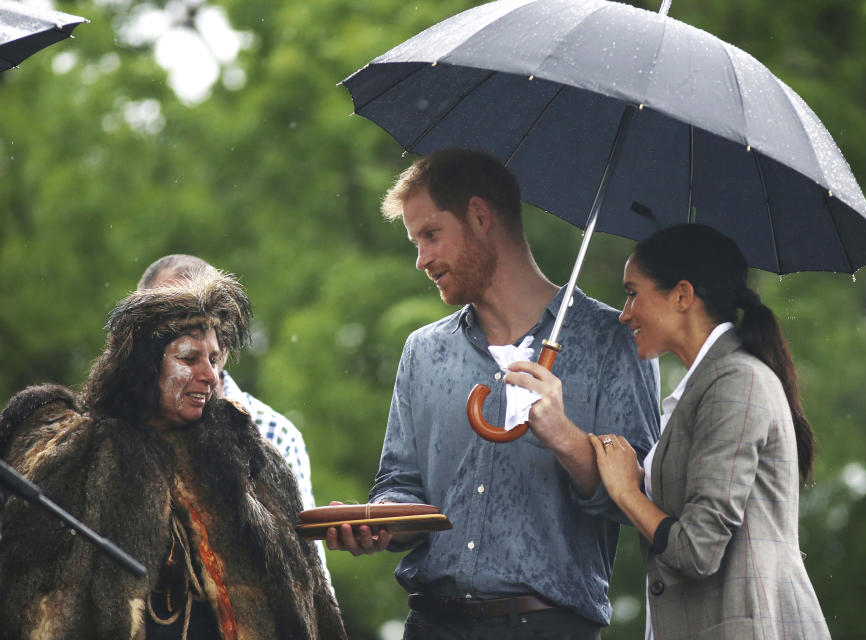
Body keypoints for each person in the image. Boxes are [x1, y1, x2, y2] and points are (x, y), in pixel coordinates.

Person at [326, 148, 661, 639]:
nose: (421, 260)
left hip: (550, 628)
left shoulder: (614, 341)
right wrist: (381, 522)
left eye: (431, 235)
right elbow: (402, 482)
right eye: (416, 241)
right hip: (430, 625)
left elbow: (642, 500)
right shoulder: (424, 352)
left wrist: (567, 439)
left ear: (480, 216)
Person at [0, 268, 345, 639]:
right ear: (142, 367)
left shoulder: (250, 464)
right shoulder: (77, 455)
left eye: (214, 359)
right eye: (190, 359)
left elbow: (306, 601)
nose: (210, 375)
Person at [585, 224, 831, 639]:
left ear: (682, 295)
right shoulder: (708, 385)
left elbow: (698, 549)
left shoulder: (735, 382)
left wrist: (626, 491)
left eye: (632, 293)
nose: (624, 313)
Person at [138, 254, 333, 592]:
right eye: (166, 324)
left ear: (224, 340)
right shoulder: (105, 432)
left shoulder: (274, 435)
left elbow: (309, 582)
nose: (185, 330)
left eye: (197, 320)